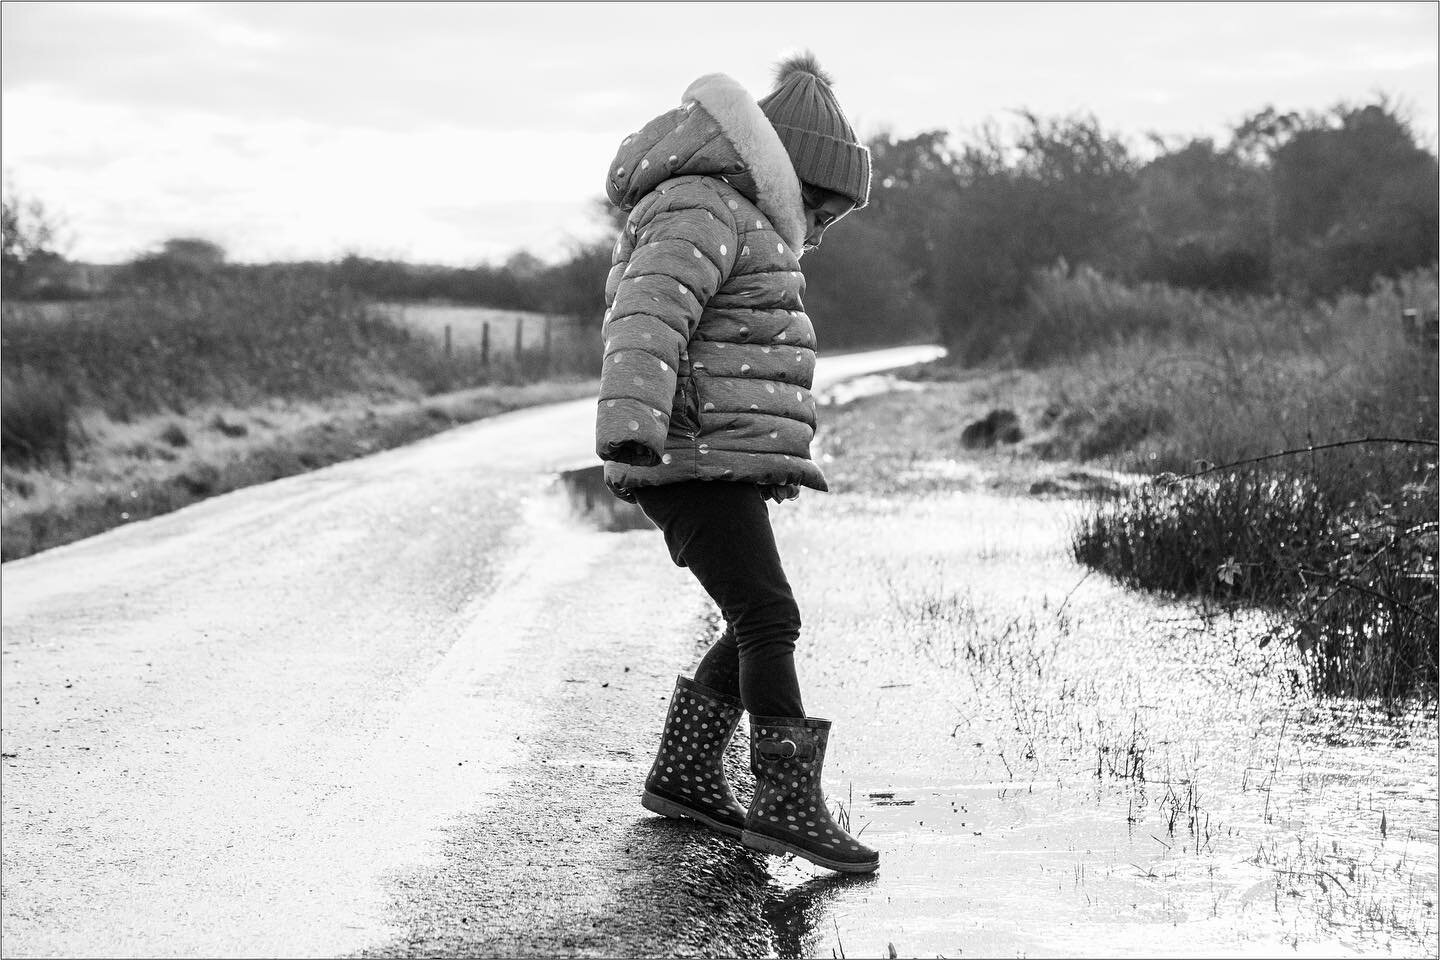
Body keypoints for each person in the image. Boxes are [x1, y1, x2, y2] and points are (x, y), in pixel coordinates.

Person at [594, 52, 878, 875]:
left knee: (757, 613)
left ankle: (685, 776)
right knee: (768, 616)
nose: (822, 228)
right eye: (823, 206)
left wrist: (765, 458)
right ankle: (785, 808)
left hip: (713, 457)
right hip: (680, 455)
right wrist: (632, 428)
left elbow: (744, 352)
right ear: (786, 169)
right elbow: (649, 311)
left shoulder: (746, 219)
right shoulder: (703, 204)